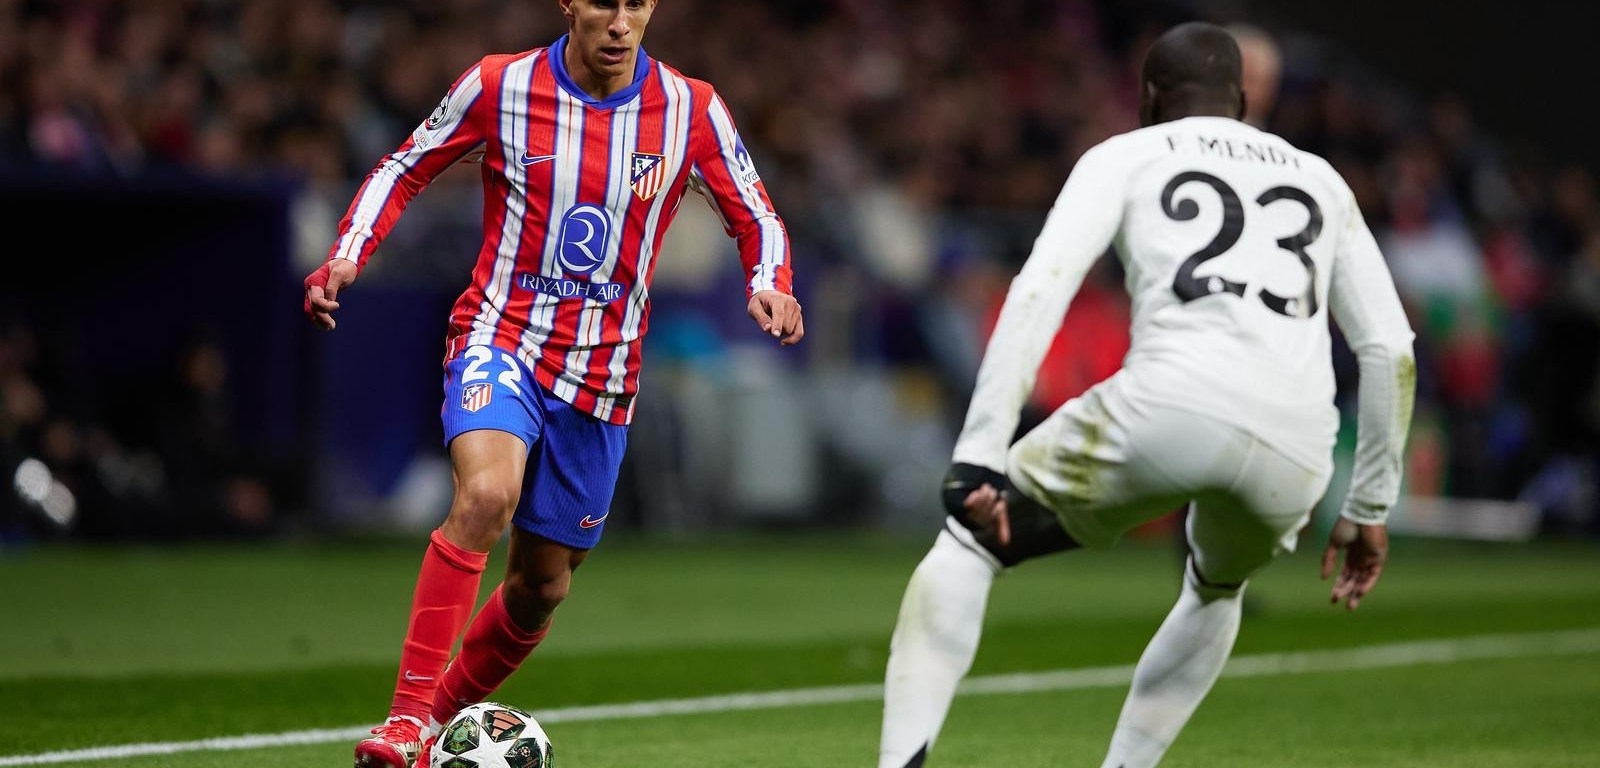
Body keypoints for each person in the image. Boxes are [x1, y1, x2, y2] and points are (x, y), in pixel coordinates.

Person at [877, 21, 1414, 768]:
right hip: (1297, 447)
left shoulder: (1126, 155)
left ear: (1151, 97)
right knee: (1216, 587)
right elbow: (1390, 348)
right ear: (1243, 97)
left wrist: (980, 454)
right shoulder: (1321, 179)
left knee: (969, 541)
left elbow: (1039, 290)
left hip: (1170, 406)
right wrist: (1370, 506)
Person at [301, 2, 802, 766]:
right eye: (604, 2)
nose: (620, 22)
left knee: (542, 588)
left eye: (636, 2)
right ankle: (404, 720)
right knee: (486, 496)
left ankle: (432, 728)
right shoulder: (498, 85)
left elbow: (755, 212)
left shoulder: (691, 109)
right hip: (500, 336)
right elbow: (405, 165)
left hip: (602, 376)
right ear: (570, 2)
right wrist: (348, 253)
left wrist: (770, 283)